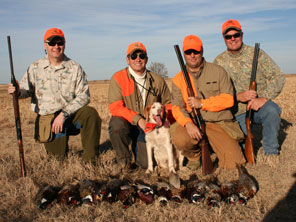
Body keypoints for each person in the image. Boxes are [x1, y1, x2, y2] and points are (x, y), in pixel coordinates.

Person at [8, 28, 101, 163]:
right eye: (52, 43)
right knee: (57, 161)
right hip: (49, 119)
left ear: (64, 44)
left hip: (70, 115)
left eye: (60, 42)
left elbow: (84, 96)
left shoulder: (75, 67)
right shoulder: (35, 67)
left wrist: (64, 114)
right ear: (45, 45)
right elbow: (25, 91)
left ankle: (91, 162)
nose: (56, 46)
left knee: (90, 114)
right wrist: (17, 91)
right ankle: (59, 150)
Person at [170, 34, 246, 170]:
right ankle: (195, 156)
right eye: (188, 52)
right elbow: (176, 107)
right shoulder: (177, 79)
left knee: (236, 164)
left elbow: (229, 99)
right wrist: (188, 124)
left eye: (196, 51)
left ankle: (213, 147)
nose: (192, 55)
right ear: (184, 54)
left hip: (218, 123)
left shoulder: (218, 71)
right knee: (180, 138)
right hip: (194, 124)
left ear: (202, 51)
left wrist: (203, 104)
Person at [213, 19, 285, 157]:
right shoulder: (218, 62)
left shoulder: (257, 54)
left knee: (272, 111)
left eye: (236, 34)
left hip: (258, 107)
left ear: (242, 34)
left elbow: (278, 76)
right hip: (236, 111)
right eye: (228, 36)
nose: (233, 39)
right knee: (243, 149)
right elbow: (216, 94)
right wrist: (237, 97)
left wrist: (262, 98)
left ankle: (271, 153)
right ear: (224, 38)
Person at [108, 42, 171, 170]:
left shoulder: (157, 80)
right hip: (128, 123)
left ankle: (140, 152)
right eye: (133, 56)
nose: (138, 59)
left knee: (145, 164)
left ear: (146, 59)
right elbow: (115, 107)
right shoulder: (118, 78)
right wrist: (139, 119)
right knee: (116, 125)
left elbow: (169, 104)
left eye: (141, 55)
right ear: (127, 59)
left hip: (149, 126)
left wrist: (163, 119)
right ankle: (124, 162)